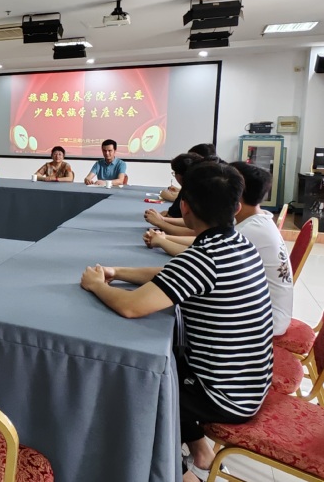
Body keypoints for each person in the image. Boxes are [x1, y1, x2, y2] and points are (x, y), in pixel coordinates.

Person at [81, 162, 273, 482]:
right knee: (169, 358)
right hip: (250, 382)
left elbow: (131, 307)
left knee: (141, 386)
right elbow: (171, 273)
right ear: (237, 207)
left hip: (225, 397)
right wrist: (117, 272)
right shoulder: (239, 244)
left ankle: (181, 474)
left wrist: (97, 285)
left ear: (184, 206)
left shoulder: (204, 258)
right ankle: (201, 452)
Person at [145, 161, 293, 336]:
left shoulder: (249, 231)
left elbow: (200, 254)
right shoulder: (258, 219)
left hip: (265, 321)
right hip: (265, 310)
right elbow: (200, 241)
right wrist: (164, 236)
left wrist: (163, 240)